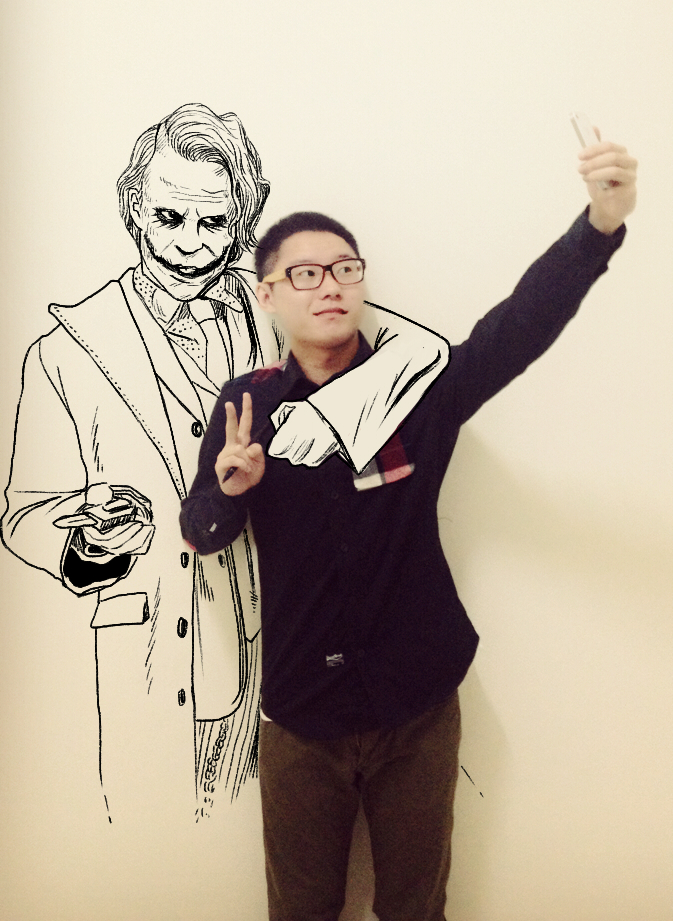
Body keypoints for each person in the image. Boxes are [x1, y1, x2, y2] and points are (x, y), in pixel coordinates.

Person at [180, 135, 638, 918]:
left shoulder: (418, 387)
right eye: (305, 273)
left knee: (417, 910)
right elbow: (199, 534)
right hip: (301, 714)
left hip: (419, 703)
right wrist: (231, 491)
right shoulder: (247, 405)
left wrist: (598, 226)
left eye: (345, 269)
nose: (330, 285)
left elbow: (516, 328)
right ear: (268, 295)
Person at [1, 102, 448, 823]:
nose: (188, 244)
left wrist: (327, 414)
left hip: (280, 651)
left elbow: (421, 349)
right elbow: (23, 514)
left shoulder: (280, 299)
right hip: (150, 654)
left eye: (212, 222)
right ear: (133, 208)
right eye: (168, 217)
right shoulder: (66, 350)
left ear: (241, 218)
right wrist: (86, 546)